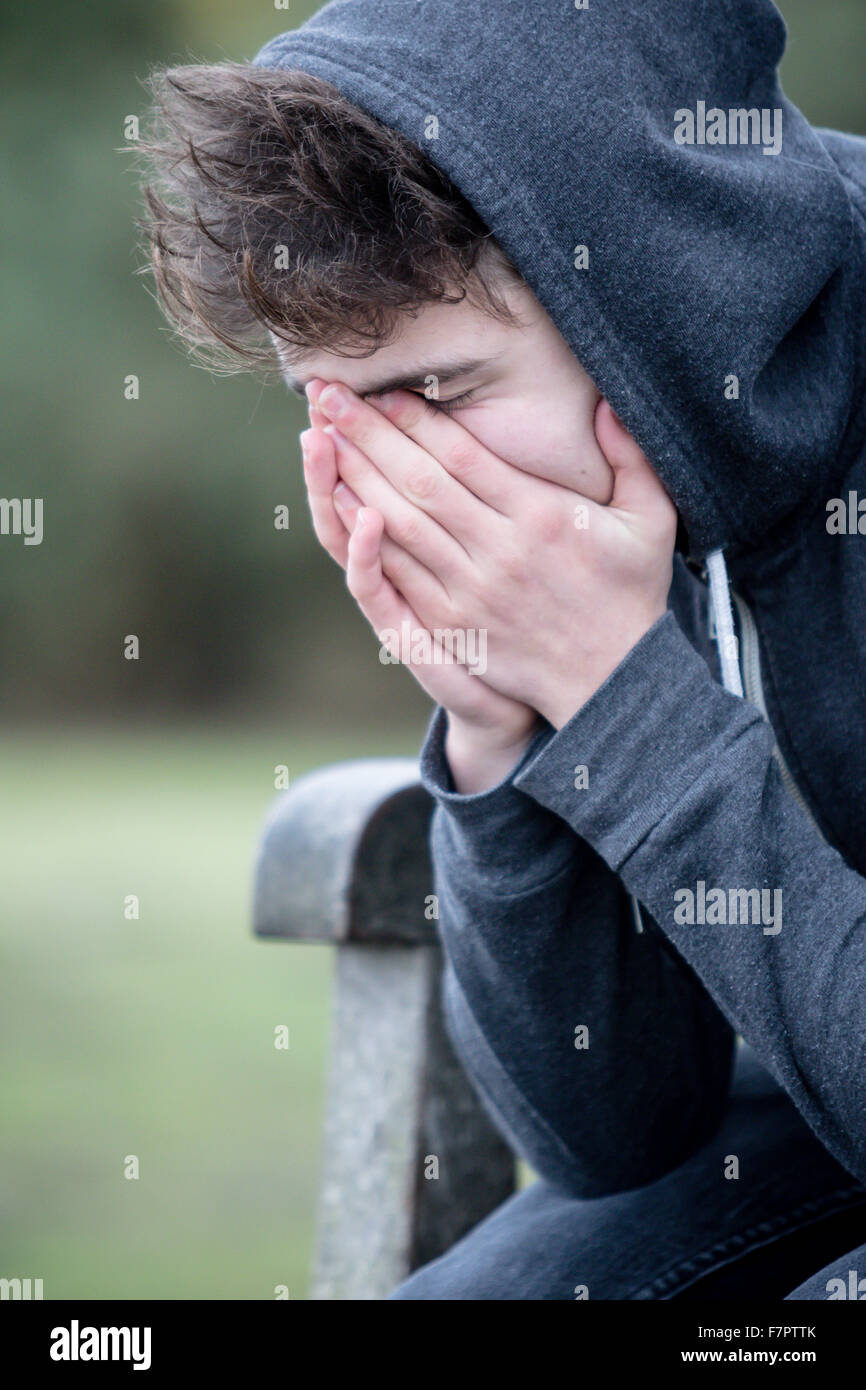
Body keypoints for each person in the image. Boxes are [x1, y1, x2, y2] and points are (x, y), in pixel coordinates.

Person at [138, 0, 866, 1298]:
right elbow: (614, 1132)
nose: (410, 479)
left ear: (660, 297)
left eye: (442, 392)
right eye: (344, 411)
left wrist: (620, 702)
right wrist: (500, 730)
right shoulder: (622, 485)